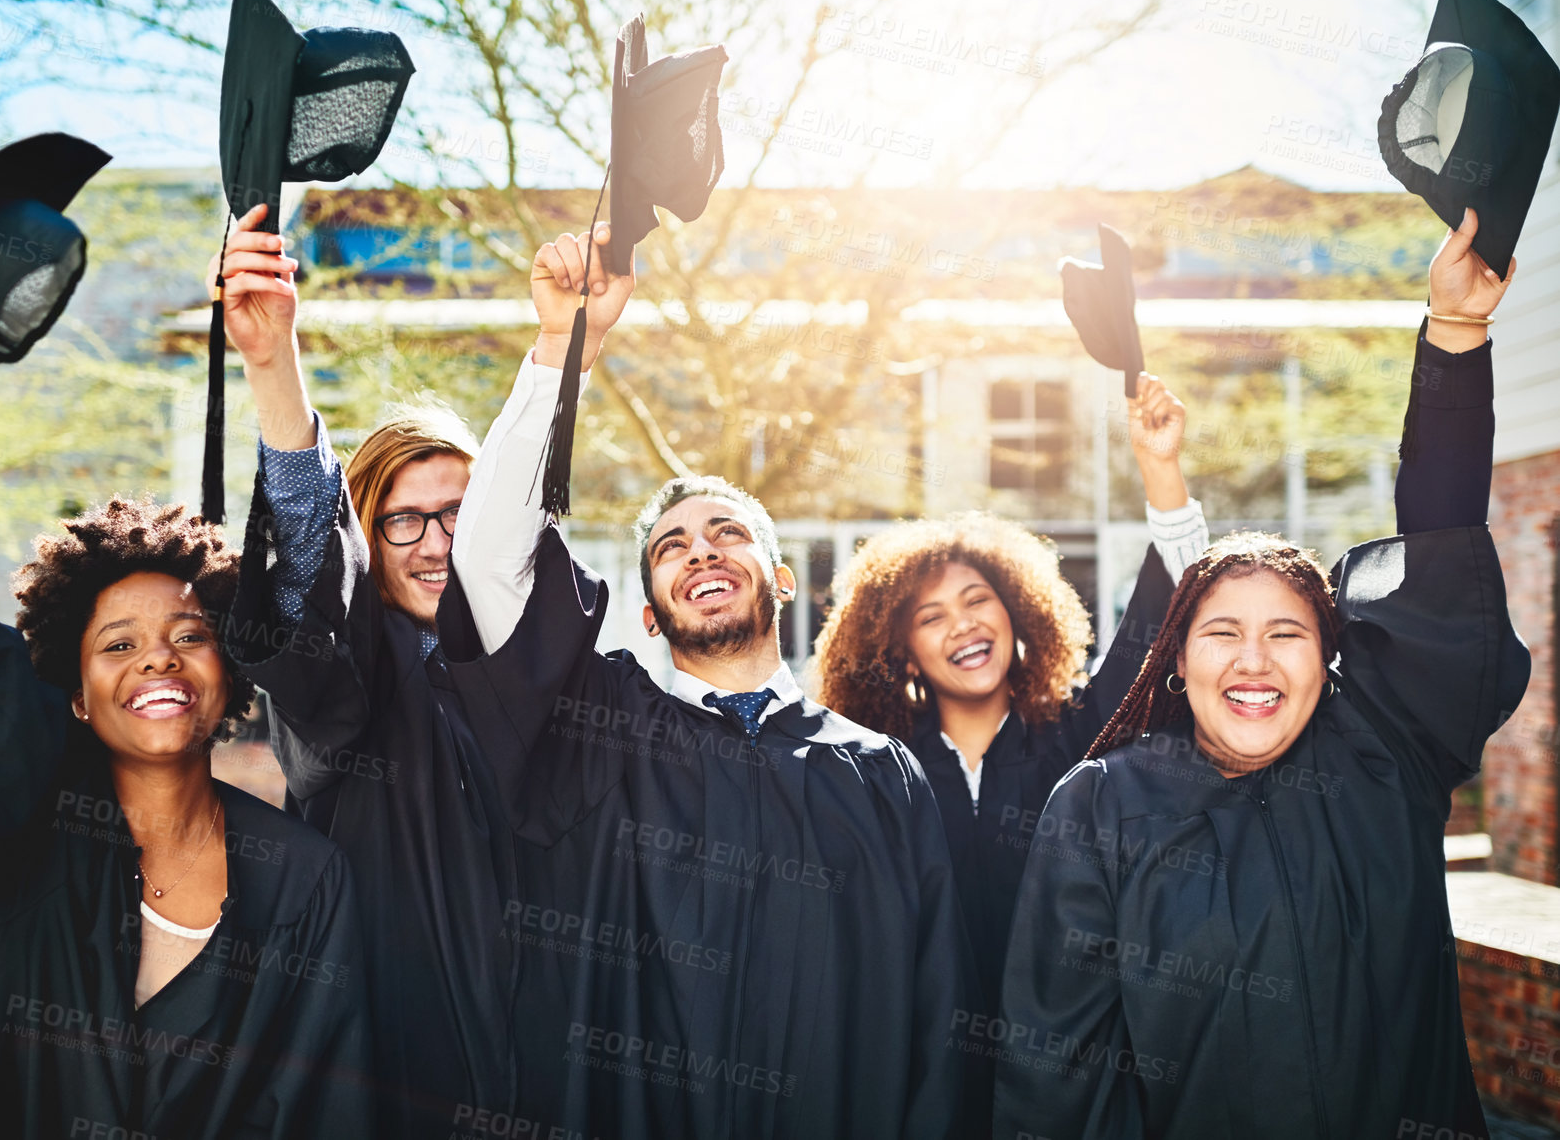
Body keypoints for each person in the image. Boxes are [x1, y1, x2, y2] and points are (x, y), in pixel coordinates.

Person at [992, 209, 1530, 1140]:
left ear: (1329, 657)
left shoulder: (1383, 764)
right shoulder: (1103, 807)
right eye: (1221, 632)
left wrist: (1455, 339)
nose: (1252, 658)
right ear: (1177, 658)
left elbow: (1437, 548)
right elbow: (1059, 1068)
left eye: (1286, 631)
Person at [433, 223, 969, 1139]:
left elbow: (939, 1012)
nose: (700, 551)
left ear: (780, 577)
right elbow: (487, 561)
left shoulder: (882, 773)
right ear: (649, 612)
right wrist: (565, 352)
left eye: (727, 534)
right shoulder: (596, 733)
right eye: (671, 547)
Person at [0, 335, 372, 1139]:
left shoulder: (302, 880)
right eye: (118, 645)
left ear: (232, 671)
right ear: (74, 694)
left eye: (189, 635)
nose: (158, 659)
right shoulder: (36, 823)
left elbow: (323, 1108)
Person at [812, 373, 1205, 1131]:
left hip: (1070, 1076)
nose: (962, 625)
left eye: (977, 600)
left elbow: (1166, 626)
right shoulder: (877, 772)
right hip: (924, 1081)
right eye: (931, 616)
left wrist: (1161, 470)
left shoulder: (1078, 733)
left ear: (1017, 610)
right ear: (900, 650)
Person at [213, 203, 519, 1136]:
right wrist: (273, 365)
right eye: (402, 519)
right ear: (368, 539)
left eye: (459, 511)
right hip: (388, 1056)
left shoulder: (536, 672)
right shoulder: (348, 673)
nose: (435, 542)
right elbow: (311, 553)